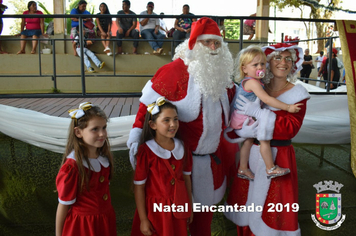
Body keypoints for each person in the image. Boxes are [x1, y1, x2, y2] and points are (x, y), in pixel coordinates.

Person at [127, 17, 242, 236]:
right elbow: (145, 110)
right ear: (194, 44)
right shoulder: (173, 72)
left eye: (217, 43)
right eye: (207, 42)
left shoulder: (223, 79)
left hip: (211, 164)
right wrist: (136, 141)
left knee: (202, 224)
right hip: (176, 166)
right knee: (169, 225)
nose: (213, 48)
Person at [224, 42, 310, 236]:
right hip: (251, 155)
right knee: (246, 205)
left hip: (279, 155)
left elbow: (290, 129)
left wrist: (259, 116)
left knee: (273, 208)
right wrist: (243, 131)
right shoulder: (256, 86)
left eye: (288, 59)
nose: (283, 62)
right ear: (268, 62)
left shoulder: (298, 95)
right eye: (278, 58)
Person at [226, 45, 302, 181]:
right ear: (244, 68)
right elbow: (267, 99)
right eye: (255, 65)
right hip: (244, 120)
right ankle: (270, 168)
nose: (260, 67)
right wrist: (287, 107)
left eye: (262, 64)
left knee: (248, 142)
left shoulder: (256, 82)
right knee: (264, 140)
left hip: (241, 119)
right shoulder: (253, 83)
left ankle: (243, 168)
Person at [131, 97, 193, 236]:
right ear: (153, 125)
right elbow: (139, 187)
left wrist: (188, 207)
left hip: (179, 208)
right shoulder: (145, 151)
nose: (173, 124)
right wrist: (143, 219)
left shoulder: (183, 147)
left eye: (175, 119)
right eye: (166, 120)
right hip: (155, 212)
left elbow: (186, 180)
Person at [55, 102, 116, 236]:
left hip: (105, 221)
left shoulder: (104, 159)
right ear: (78, 132)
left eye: (104, 127)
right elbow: (63, 205)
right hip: (83, 226)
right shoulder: (72, 167)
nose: (102, 133)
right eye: (95, 129)